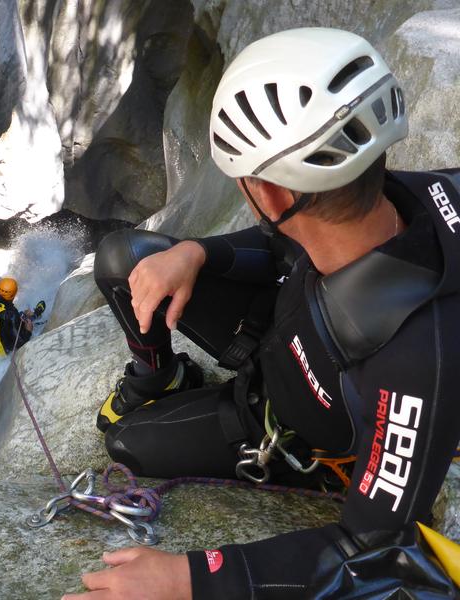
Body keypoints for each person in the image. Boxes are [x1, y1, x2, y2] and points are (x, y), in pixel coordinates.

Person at [64, 27, 460, 599]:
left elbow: (379, 547)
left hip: (300, 423)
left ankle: (313, 463)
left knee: (128, 444)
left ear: (272, 196)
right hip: (293, 320)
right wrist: (201, 251)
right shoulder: (415, 198)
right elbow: (287, 245)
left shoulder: (417, 362)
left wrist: (189, 579)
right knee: (128, 259)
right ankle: (164, 377)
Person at [0, 277, 35, 355]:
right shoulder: (10, 315)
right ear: (13, 295)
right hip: (1, 356)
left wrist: (19, 315)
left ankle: (25, 316)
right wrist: (28, 331)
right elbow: (20, 344)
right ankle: (34, 316)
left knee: (20, 316)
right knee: (27, 324)